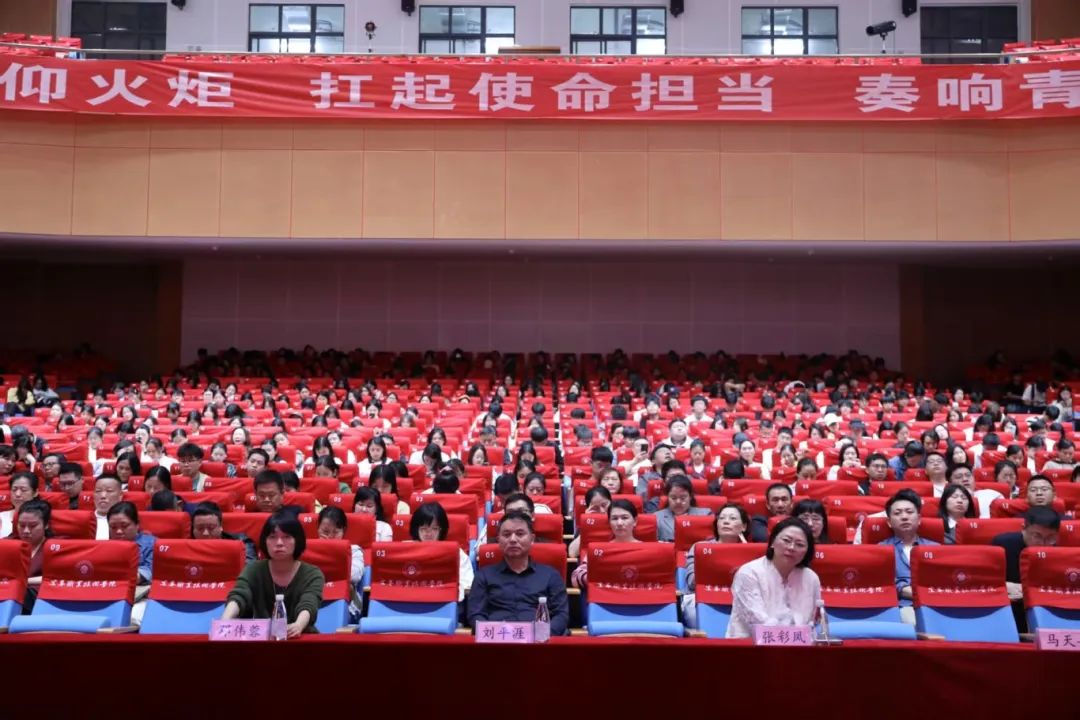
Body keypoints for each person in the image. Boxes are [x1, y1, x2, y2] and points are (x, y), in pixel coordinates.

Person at [221, 511, 325, 636]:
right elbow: (239, 596)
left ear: (297, 541)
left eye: (286, 537)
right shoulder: (253, 569)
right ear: (265, 541)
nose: (279, 543)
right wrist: (224, 621)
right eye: (272, 537)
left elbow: (309, 603)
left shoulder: (312, 574)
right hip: (261, 638)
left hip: (300, 637)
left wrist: (298, 625)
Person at [466, 510, 569, 636]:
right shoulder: (484, 575)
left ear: (532, 539)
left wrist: (541, 635)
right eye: (506, 534)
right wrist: (495, 635)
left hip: (539, 642)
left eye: (520, 534)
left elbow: (561, 615)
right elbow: (475, 614)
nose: (513, 539)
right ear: (498, 540)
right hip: (496, 641)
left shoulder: (550, 575)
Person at [726, 517, 822, 638]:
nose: (791, 547)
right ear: (772, 542)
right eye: (786, 540)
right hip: (749, 644)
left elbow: (811, 623)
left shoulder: (811, 578)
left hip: (798, 646)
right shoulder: (749, 573)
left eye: (800, 544)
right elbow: (758, 624)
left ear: (807, 551)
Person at [991, 506, 1061, 633]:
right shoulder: (1002, 544)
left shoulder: (1057, 551)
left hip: (1044, 604)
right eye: (1037, 536)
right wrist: (1003, 586)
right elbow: (986, 579)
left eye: (1050, 538)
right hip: (1011, 603)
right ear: (1023, 529)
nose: (1043, 543)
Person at [879, 489, 939, 624]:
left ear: (919, 519)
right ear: (889, 522)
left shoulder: (936, 548)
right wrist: (919, 594)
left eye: (909, 512)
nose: (904, 517)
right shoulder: (881, 549)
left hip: (936, 603)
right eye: (897, 513)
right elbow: (885, 584)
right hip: (902, 605)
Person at [571, 499, 641, 588]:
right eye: (614, 518)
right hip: (608, 594)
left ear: (635, 521)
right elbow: (575, 578)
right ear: (609, 523)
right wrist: (603, 577)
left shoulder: (649, 550)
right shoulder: (599, 550)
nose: (619, 523)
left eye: (624, 518)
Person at [410, 502, 473, 600]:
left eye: (434, 529)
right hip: (411, 599)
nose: (428, 533)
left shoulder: (456, 553)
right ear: (416, 529)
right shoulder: (406, 550)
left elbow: (467, 585)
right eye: (423, 528)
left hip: (445, 602)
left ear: (441, 530)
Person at [316, 506, 365, 609]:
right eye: (325, 532)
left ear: (344, 531)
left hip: (346, 602)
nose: (330, 537)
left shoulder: (354, 550)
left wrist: (332, 554)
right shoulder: (309, 550)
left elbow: (355, 576)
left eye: (335, 532)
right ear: (318, 529)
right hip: (313, 598)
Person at [12, 498, 52, 613]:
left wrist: (24, 581)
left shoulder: (55, 548)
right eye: (21, 525)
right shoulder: (8, 544)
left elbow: (57, 578)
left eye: (33, 526)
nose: (26, 530)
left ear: (46, 525)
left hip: (39, 601)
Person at [106, 501, 155, 585]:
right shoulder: (104, 547)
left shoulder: (153, 545)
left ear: (137, 524)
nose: (118, 531)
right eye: (113, 527)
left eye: (124, 526)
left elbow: (148, 572)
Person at [191, 501, 257, 563]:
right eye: (200, 528)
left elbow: (250, 568)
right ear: (193, 529)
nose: (205, 533)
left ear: (220, 527)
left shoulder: (242, 542)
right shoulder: (188, 547)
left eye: (211, 528)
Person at [653, 475, 711, 543]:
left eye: (683, 498)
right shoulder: (656, 518)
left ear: (690, 497)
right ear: (667, 497)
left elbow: (713, 541)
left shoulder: (705, 515)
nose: (678, 502)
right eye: (674, 498)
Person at [0, 471, 38, 537]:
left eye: (23, 490)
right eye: (14, 489)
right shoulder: (1, 516)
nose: (17, 494)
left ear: (35, 493)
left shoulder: (42, 518)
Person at [93, 475, 124, 540]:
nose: (103, 496)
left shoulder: (126, 522)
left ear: (120, 495)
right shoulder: (84, 521)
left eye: (109, 491)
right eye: (98, 491)